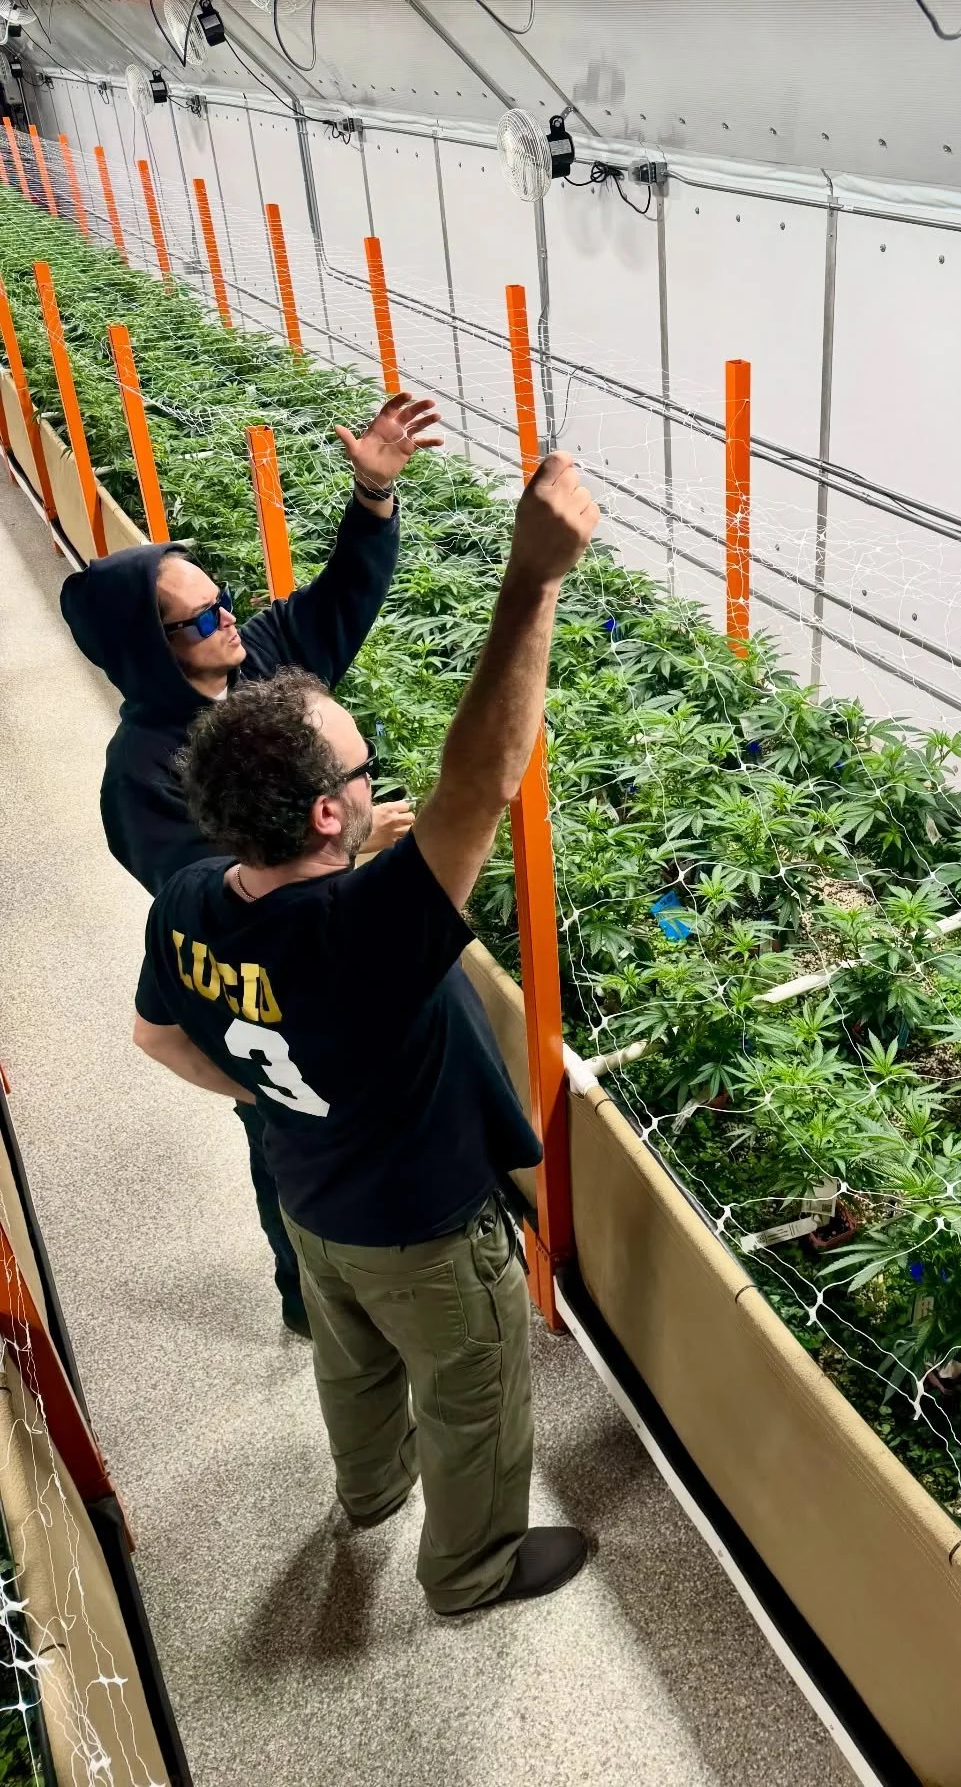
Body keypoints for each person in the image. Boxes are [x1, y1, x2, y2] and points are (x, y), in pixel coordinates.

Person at [130, 450, 601, 1614]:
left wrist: (277, 1094)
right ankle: (472, 1567)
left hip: (313, 1202)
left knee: (353, 1366)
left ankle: (370, 1495)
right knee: (474, 1390)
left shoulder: (191, 896)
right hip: (427, 1232)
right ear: (332, 812)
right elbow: (483, 776)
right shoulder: (363, 933)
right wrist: (532, 580)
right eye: (357, 765)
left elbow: (152, 1039)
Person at [59, 393, 441, 1336]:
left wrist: (373, 494)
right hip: (265, 996)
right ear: (145, 651)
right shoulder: (143, 772)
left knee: (379, 1121)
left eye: (219, 600)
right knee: (290, 1142)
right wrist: (350, 852)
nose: (226, 623)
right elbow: (227, 902)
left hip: (347, 954)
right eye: (193, 623)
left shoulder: (256, 662)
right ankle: (312, 1302)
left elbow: (339, 600)